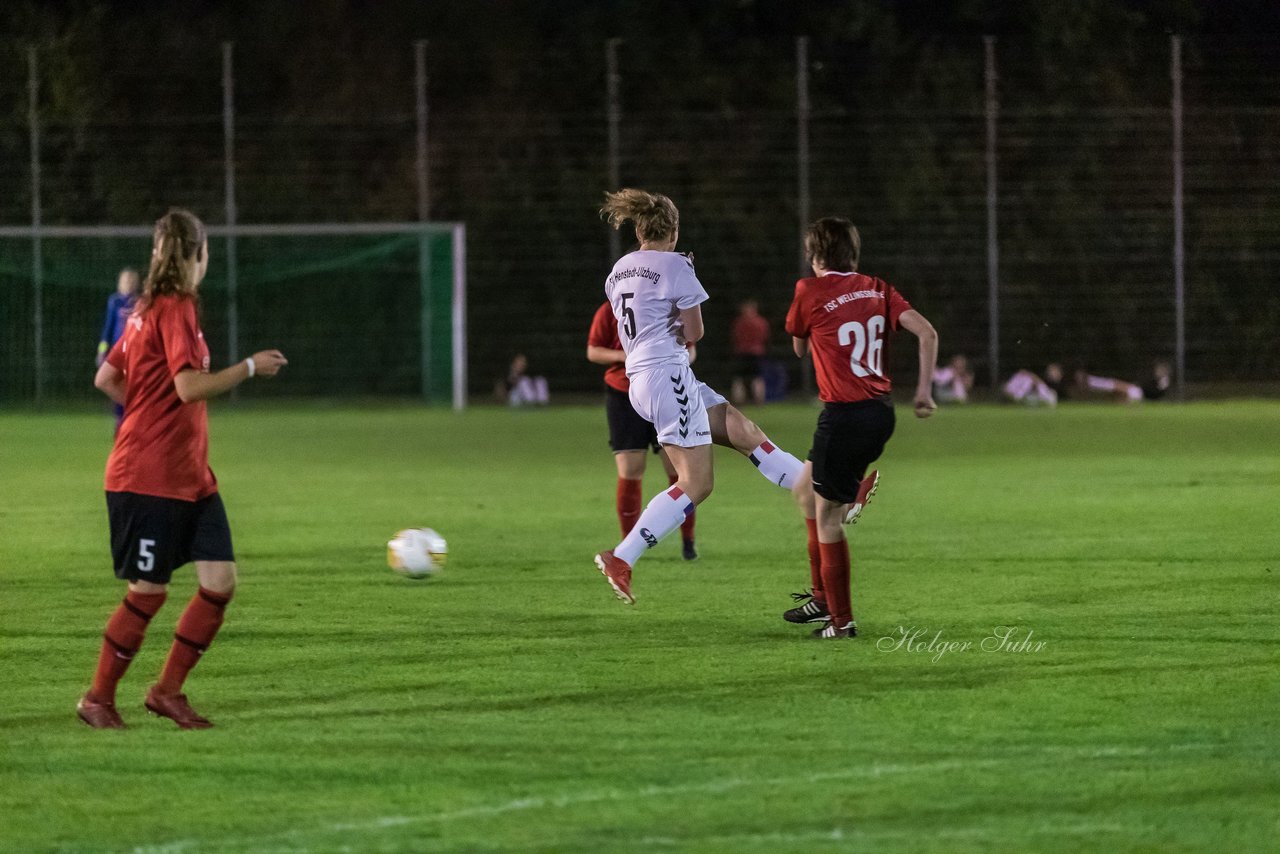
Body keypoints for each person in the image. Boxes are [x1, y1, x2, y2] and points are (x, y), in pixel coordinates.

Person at [77, 208, 287, 730]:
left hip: (189, 477)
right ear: (199, 254)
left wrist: (146, 413)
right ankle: (97, 699)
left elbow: (107, 377)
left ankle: (167, 691)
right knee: (148, 592)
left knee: (220, 580)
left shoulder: (145, 309)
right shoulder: (177, 309)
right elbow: (189, 386)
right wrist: (249, 368)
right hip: (148, 478)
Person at [592, 188, 806, 604]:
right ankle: (622, 556)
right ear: (673, 230)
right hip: (667, 373)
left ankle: (824, 490)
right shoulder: (675, 266)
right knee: (697, 483)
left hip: (642, 377)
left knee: (742, 429)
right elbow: (695, 333)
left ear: (638, 229)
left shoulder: (618, 269)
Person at [783, 217, 937, 639]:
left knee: (828, 518)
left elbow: (798, 346)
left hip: (843, 417)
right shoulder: (879, 288)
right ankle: (822, 595)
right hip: (879, 414)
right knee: (803, 490)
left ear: (815, 256)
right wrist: (922, 393)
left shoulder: (808, 290)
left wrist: (811, 325)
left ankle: (841, 621)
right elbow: (927, 332)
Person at [587, 301, 698, 560]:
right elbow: (593, 351)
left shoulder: (669, 307)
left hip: (666, 391)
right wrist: (625, 356)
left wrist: (671, 361)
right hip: (623, 394)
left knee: (680, 471)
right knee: (630, 469)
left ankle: (688, 542)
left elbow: (691, 350)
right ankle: (628, 546)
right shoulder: (610, 309)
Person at [96, 268, 141, 430]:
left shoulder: (139, 302)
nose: (129, 283)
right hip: (117, 351)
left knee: (132, 385)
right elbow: (108, 328)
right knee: (114, 384)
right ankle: (119, 418)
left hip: (135, 351)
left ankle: (132, 417)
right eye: (126, 280)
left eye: (132, 280)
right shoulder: (114, 301)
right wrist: (102, 350)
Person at [730, 299, 769, 406]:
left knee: (739, 378)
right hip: (757, 352)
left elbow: (735, 336)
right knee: (757, 378)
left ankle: (739, 401)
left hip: (742, 352)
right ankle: (759, 401)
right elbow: (765, 336)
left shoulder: (740, 322)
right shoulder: (761, 321)